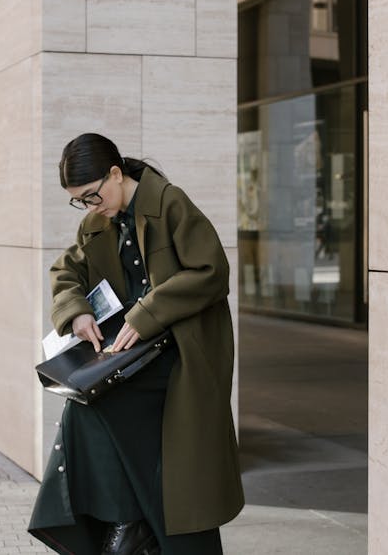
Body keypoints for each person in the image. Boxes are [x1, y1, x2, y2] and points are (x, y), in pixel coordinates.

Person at [29, 133, 244, 554]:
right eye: (80, 201)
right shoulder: (96, 222)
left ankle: (126, 524)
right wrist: (77, 311)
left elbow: (211, 272)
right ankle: (124, 520)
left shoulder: (169, 203)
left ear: (115, 173)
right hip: (130, 358)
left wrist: (145, 314)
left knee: (104, 409)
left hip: (181, 356)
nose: (91, 206)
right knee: (82, 404)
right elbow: (66, 270)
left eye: (92, 195)